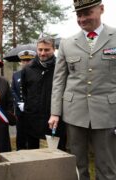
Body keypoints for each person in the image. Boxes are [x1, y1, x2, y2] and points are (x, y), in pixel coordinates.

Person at [48, 1, 116, 179]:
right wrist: (55, 112)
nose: (82, 19)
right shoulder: (66, 43)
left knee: (107, 166)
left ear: (101, 9)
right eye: (79, 15)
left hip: (107, 112)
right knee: (77, 166)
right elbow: (59, 80)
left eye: (87, 13)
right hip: (74, 113)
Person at [21, 37, 66, 150]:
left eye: (47, 50)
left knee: (58, 152)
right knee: (32, 151)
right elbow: (26, 91)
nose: (42, 53)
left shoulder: (60, 67)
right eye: (40, 49)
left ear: (54, 49)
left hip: (55, 116)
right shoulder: (28, 69)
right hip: (33, 116)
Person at [11, 50, 36, 150]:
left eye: (28, 60)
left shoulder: (36, 74)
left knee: (33, 136)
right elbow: (12, 90)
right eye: (23, 61)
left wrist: (28, 104)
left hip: (32, 110)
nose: (26, 63)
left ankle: (34, 156)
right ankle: (20, 154)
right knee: (20, 135)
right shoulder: (16, 75)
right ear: (20, 62)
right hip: (19, 111)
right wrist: (18, 103)